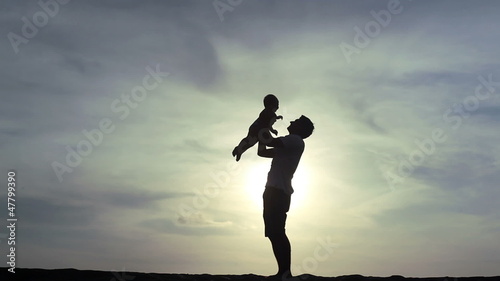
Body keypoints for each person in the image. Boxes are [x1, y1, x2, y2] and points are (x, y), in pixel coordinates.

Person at [257, 115, 314, 280]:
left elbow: (268, 140)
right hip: (273, 191)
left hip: (278, 192)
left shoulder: (295, 140)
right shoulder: (288, 144)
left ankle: (285, 273)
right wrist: (262, 132)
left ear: (301, 128)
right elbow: (262, 152)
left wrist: (264, 125)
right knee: (273, 233)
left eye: (295, 122)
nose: (291, 122)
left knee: (278, 233)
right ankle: (282, 272)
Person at [232, 94, 283, 161]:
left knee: (250, 142)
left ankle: (239, 150)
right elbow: (269, 124)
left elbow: (267, 121)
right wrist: (273, 130)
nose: (278, 107)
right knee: (266, 141)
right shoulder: (270, 114)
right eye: (277, 105)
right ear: (272, 105)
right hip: (261, 131)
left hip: (255, 128)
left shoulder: (265, 112)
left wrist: (276, 118)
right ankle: (239, 149)